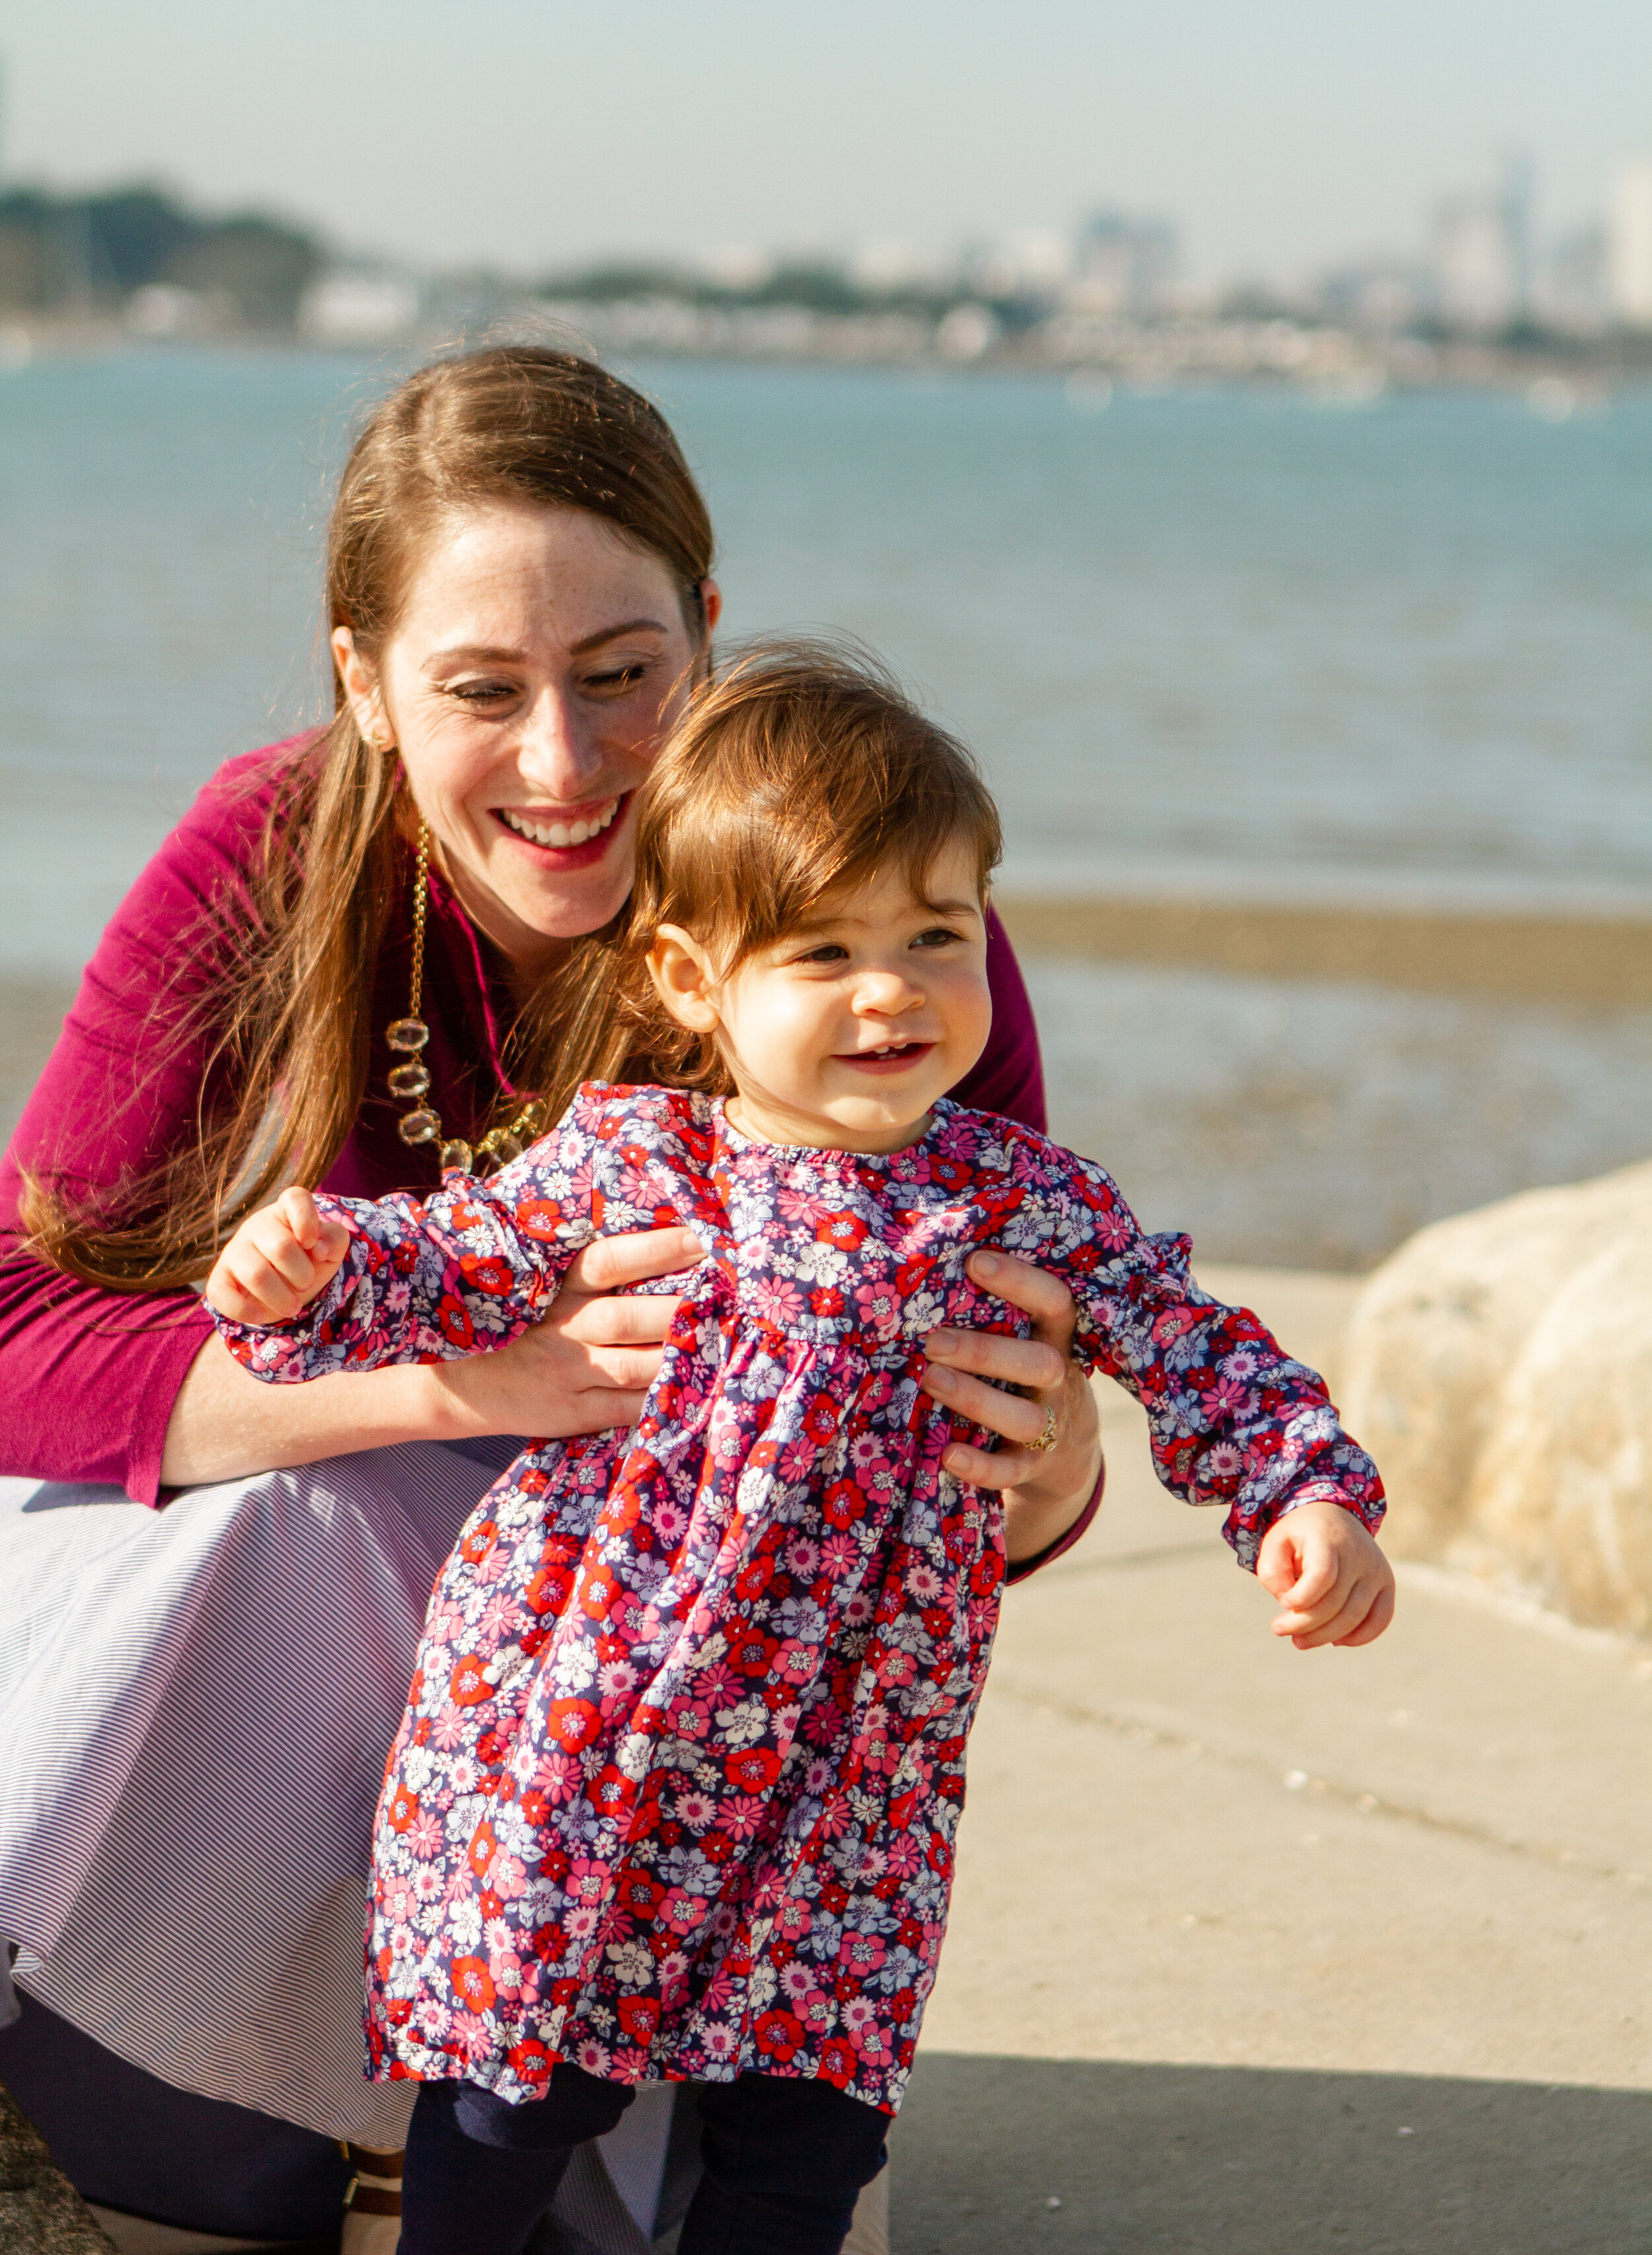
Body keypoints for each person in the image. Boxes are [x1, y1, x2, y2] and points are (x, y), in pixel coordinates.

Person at [0, 348, 1105, 2253]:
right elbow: (18, 1322)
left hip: (678, 1697)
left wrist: (1056, 1460)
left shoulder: (860, 913)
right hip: (385, 1528)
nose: (566, 763)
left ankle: (434, 2115)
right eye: (479, 689)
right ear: (361, 681)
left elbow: (969, 1484)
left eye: (621, 673)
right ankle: (171, 2088)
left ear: (709, 633)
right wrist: (455, 1380)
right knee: (246, 1536)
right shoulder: (272, 844)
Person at [204, 643, 1393, 2255]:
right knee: (507, 2099)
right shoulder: (633, 1158)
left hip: (851, 1782)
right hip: (583, 1735)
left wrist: (1303, 1493)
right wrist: (317, 1268)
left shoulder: (1023, 1198)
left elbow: (1201, 1352)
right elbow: (447, 1259)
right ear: (694, 983)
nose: (889, 990)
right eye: (822, 950)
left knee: (807, 2131)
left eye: (931, 936)